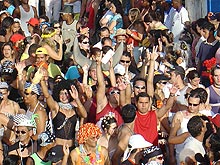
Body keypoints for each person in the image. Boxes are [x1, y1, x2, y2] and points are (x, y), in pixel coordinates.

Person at [40, 77, 87, 162]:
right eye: (61, 93)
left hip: (72, 148)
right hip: (58, 147)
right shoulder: (56, 107)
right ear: (57, 94)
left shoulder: (75, 108)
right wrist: (42, 80)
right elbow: (47, 95)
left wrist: (76, 98)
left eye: (66, 93)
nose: (64, 96)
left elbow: (84, 114)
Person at [168, 89, 204, 165]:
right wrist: (171, 156)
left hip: (197, 154)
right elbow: (171, 138)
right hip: (181, 155)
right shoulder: (179, 115)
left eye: (195, 105)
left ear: (200, 104)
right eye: (190, 104)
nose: (191, 107)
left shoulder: (203, 118)